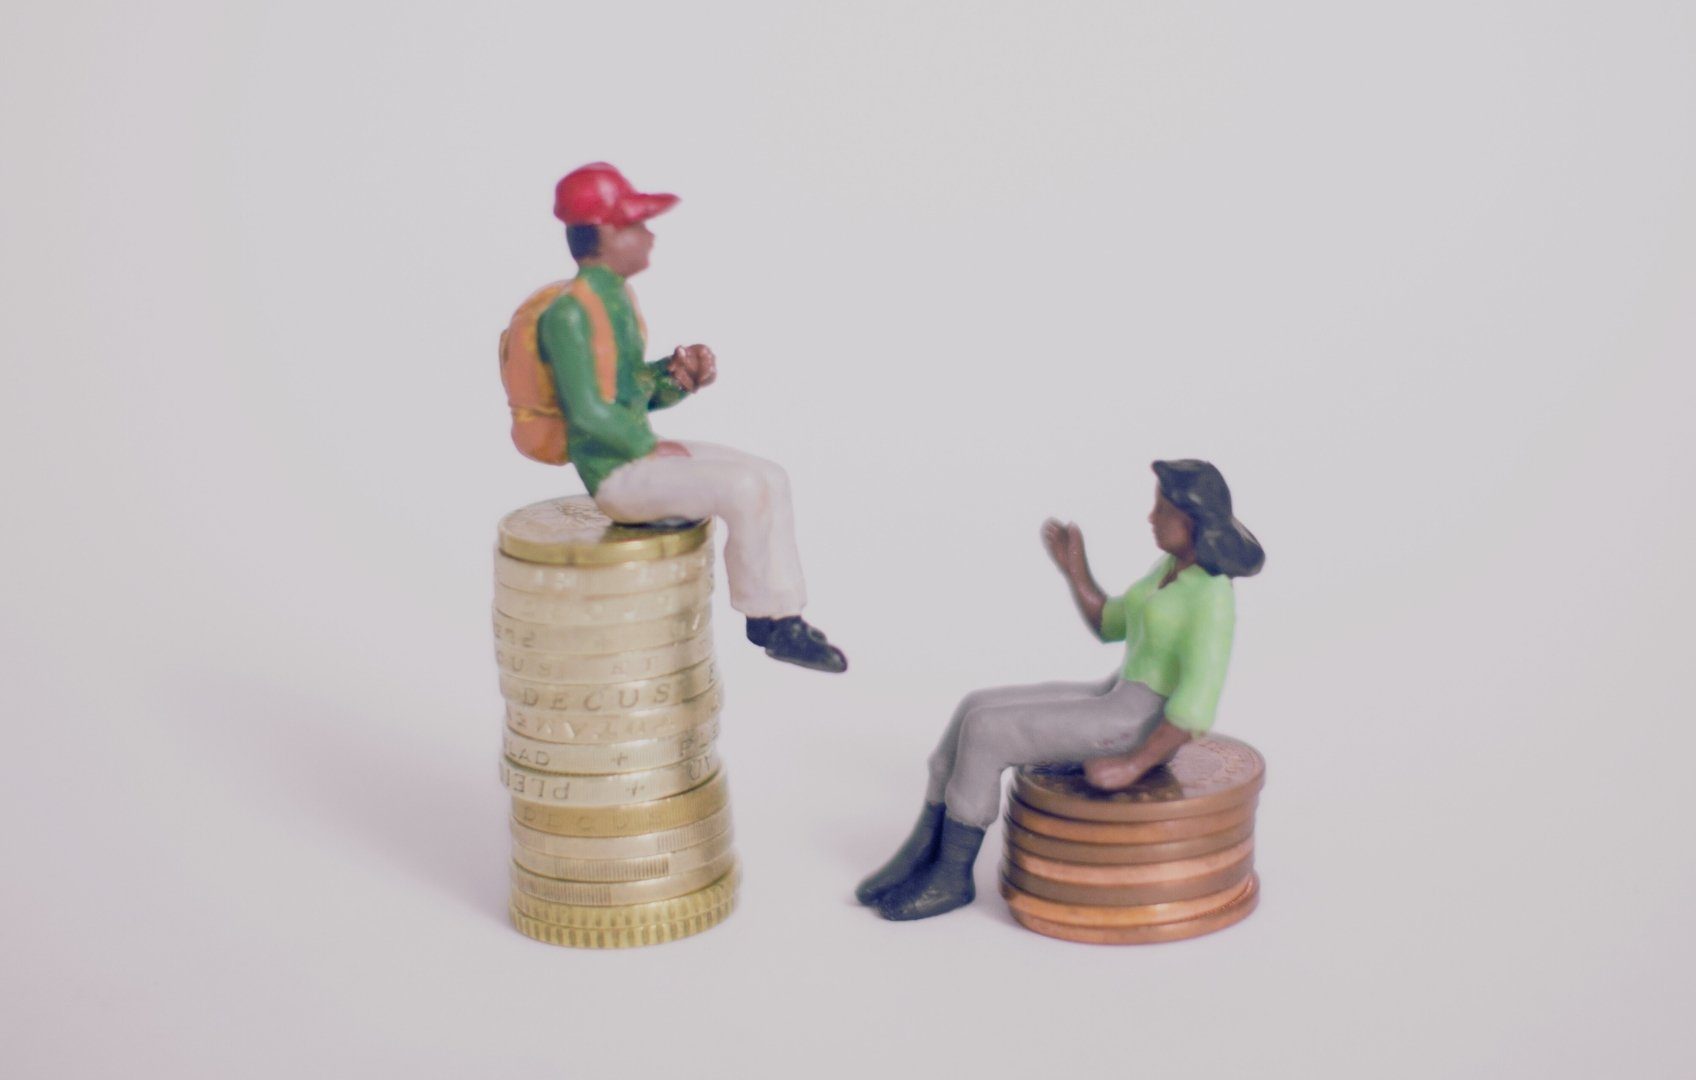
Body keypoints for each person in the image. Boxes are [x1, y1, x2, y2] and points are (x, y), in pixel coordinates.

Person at [857, 459, 1264, 920]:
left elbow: (1196, 708)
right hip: (1118, 693)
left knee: (989, 731)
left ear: (1193, 520)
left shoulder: (1212, 597)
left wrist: (1133, 764)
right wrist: (1076, 571)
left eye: (1163, 510)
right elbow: (1110, 624)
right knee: (974, 706)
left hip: (1140, 722)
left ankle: (952, 875)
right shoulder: (1168, 568)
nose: (1151, 517)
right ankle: (923, 849)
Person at [502, 163, 846, 673]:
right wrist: (644, 447)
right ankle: (772, 621)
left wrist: (674, 376)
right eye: (636, 225)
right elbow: (588, 413)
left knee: (770, 476)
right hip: (616, 478)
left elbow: (629, 391)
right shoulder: (569, 315)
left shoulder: (616, 300)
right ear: (605, 235)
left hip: (635, 458)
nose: (649, 235)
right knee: (743, 488)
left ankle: (777, 617)